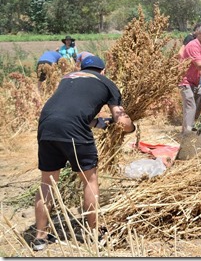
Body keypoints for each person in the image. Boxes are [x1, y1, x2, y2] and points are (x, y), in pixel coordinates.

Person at [32, 55, 135, 251]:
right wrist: (132, 128)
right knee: (89, 180)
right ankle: (94, 233)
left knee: (47, 182)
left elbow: (68, 110)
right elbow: (122, 121)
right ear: (102, 71)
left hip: (46, 125)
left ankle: (40, 237)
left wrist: (96, 122)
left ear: (81, 69)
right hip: (74, 129)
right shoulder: (106, 82)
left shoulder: (68, 78)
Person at [179, 24, 201, 133]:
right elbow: (200, 66)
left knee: (200, 98)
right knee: (191, 106)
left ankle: (188, 128)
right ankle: (188, 135)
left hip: (195, 80)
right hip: (184, 80)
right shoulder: (193, 45)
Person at [179, 23, 201, 99]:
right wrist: (185, 63)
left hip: (195, 72)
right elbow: (180, 52)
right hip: (188, 74)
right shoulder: (190, 39)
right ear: (197, 31)